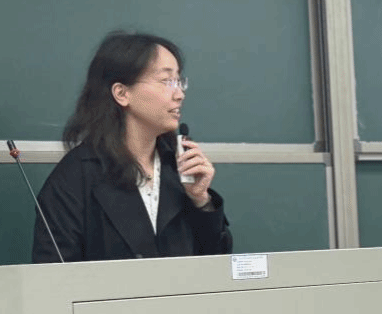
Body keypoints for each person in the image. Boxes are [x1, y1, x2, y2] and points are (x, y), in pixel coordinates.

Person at [31, 31, 232, 263]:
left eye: (179, 81)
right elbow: (53, 273)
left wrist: (201, 202)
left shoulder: (179, 166)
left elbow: (217, 265)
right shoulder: (76, 176)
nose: (179, 94)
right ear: (122, 93)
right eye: (166, 81)